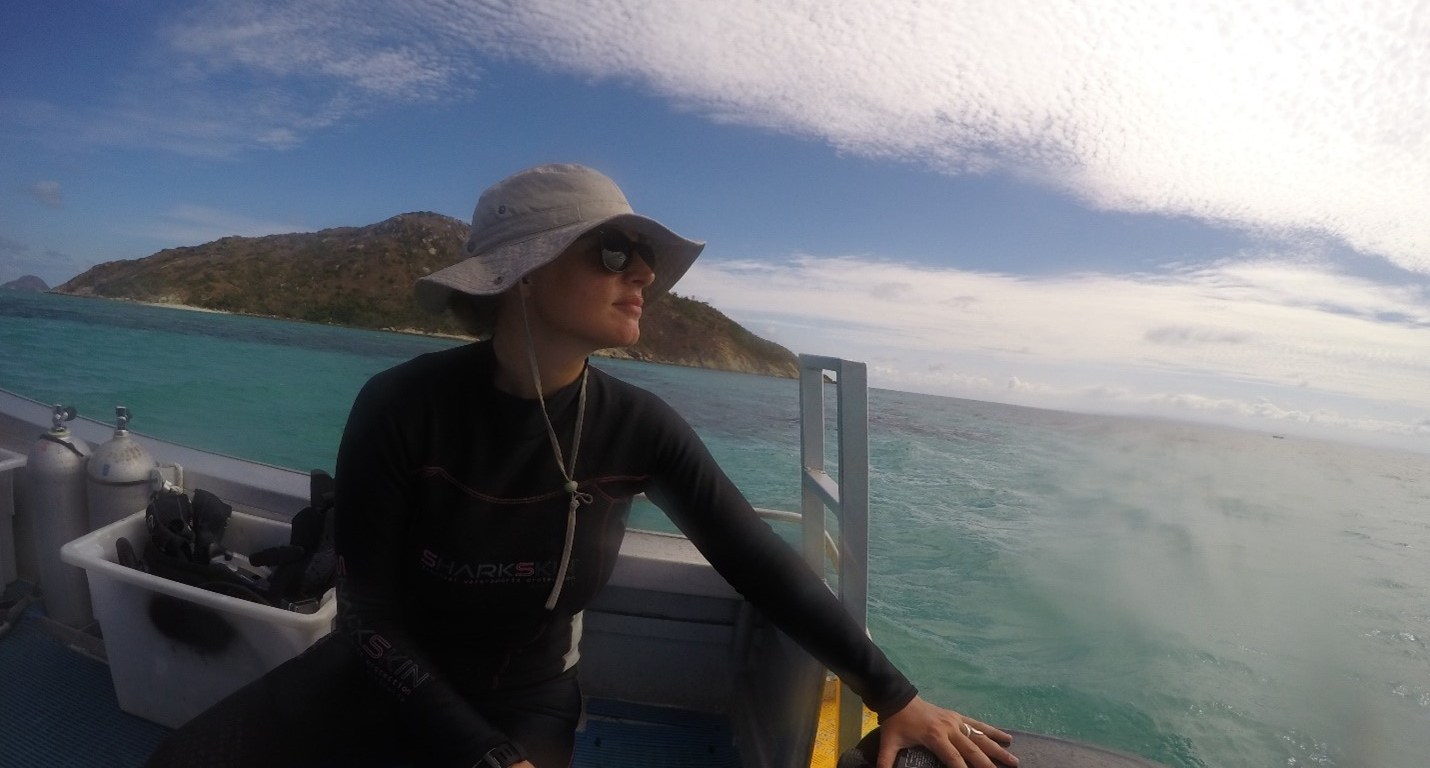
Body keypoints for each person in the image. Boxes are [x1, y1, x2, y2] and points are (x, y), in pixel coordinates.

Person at [145, 163, 1018, 768]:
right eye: (611, 252)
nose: (642, 274)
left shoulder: (639, 427)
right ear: (519, 275)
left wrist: (893, 694)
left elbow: (759, 564)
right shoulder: (401, 407)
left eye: (646, 258)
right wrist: (481, 756)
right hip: (385, 674)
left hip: (531, 693)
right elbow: (369, 620)